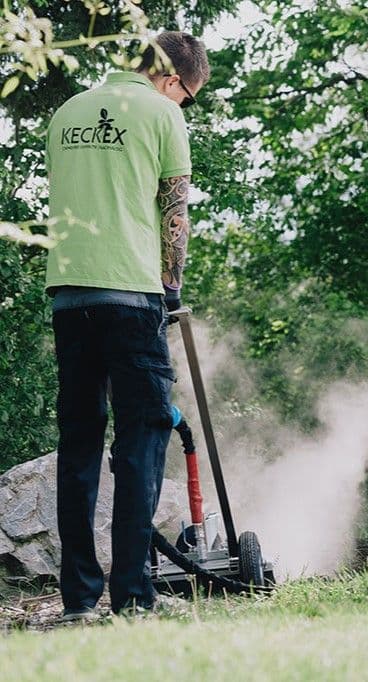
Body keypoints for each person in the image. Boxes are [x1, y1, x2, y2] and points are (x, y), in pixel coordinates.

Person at [44, 31, 209, 619]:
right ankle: (134, 596)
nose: (183, 104)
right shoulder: (164, 114)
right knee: (141, 442)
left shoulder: (67, 113)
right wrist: (172, 288)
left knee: (80, 445)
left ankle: (78, 600)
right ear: (172, 80)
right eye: (187, 94)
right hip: (132, 293)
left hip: (68, 297)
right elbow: (175, 210)